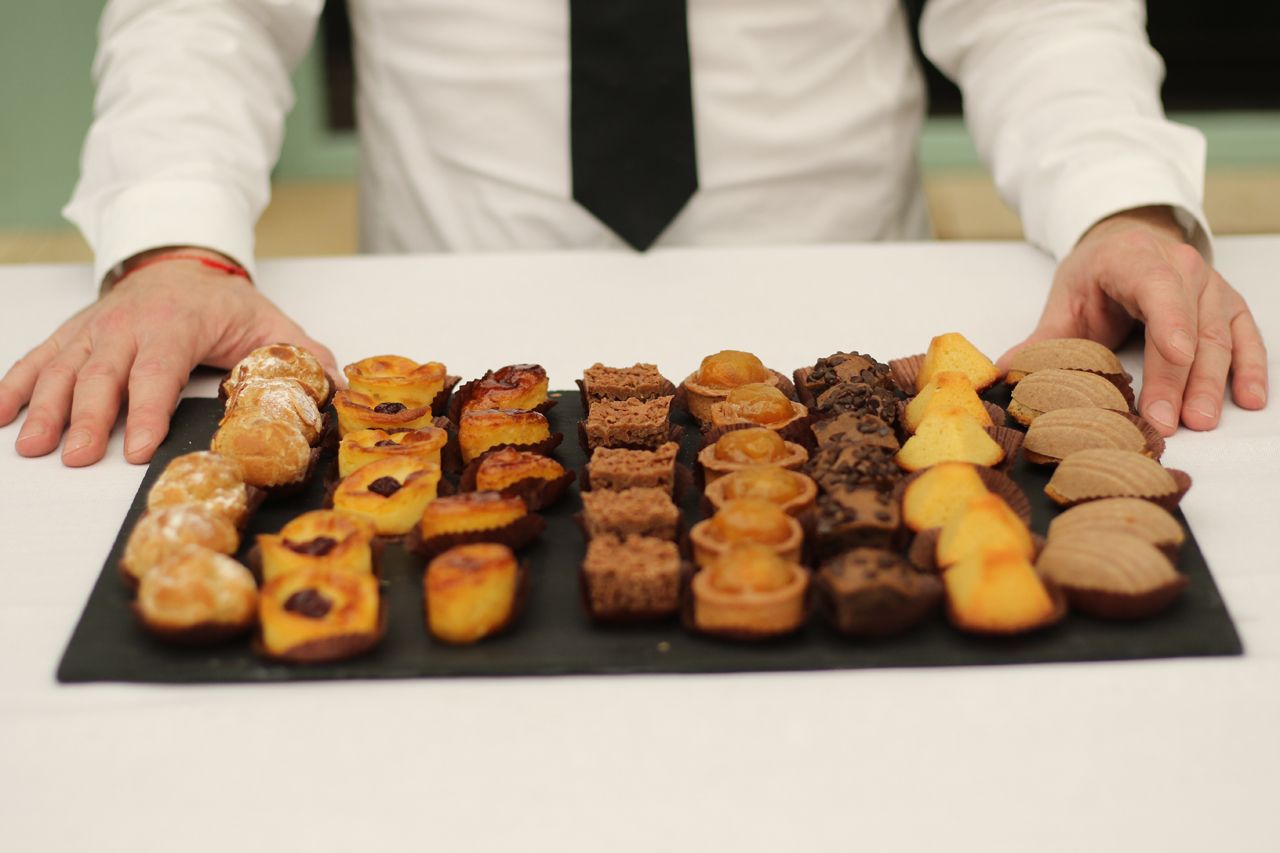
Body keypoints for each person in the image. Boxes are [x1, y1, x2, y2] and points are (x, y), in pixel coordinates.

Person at [0, 0, 1267, 467]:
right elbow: (202, 14)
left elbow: (1033, 15)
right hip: (444, 322)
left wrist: (1123, 202)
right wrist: (176, 242)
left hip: (842, 332)